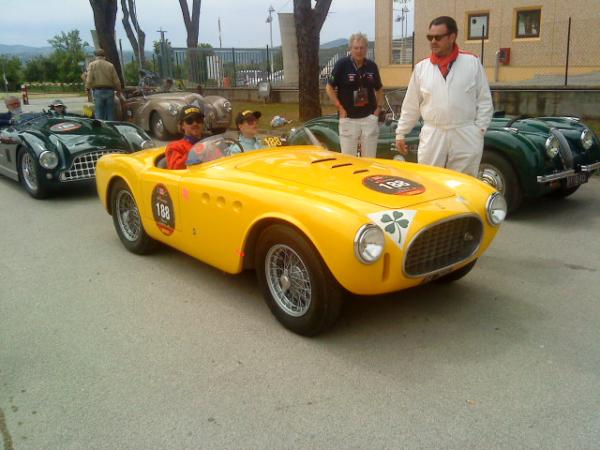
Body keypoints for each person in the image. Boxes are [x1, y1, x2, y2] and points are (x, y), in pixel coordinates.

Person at [394, 16, 494, 177]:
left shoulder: (472, 63)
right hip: (433, 133)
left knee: (463, 181)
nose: (433, 41)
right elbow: (411, 105)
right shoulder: (421, 68)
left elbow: (484, 101)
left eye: (438, 37)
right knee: (429, 178)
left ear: (452, 37)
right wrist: (401, 132)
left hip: (465, 133)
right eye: (430, 37)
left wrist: (479, 130)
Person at [325, 32, 383, 158]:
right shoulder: (342, 65)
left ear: (366, 49)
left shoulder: (372, 66)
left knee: (369, 159)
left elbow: (379, 89)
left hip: (369, 118)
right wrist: (340, 107)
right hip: (348, 118)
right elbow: (329, 87)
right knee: (348, 158)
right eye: (356, 48)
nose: (359, 51)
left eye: (362, 48)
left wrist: (378, 109)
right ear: (350, 48)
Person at [165, 105, 206, 170]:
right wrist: (194, 153)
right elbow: (175, 169)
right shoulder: (174, 147)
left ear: (202, 123)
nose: (195, 123)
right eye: (189, 121)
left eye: (198, 120)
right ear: (182, 126)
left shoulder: (209, 143)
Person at [85, 48, 122, 120]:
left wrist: (87, 88)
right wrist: (119, 89)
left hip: (98, 91)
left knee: (99, 112)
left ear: (95, 55)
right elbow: (116, 80)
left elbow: (89, 79)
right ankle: (110, 125)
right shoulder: (110, 65)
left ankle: (100, 126)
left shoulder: (92, 65)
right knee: (111, 112)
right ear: (104, 56)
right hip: (109, 91)